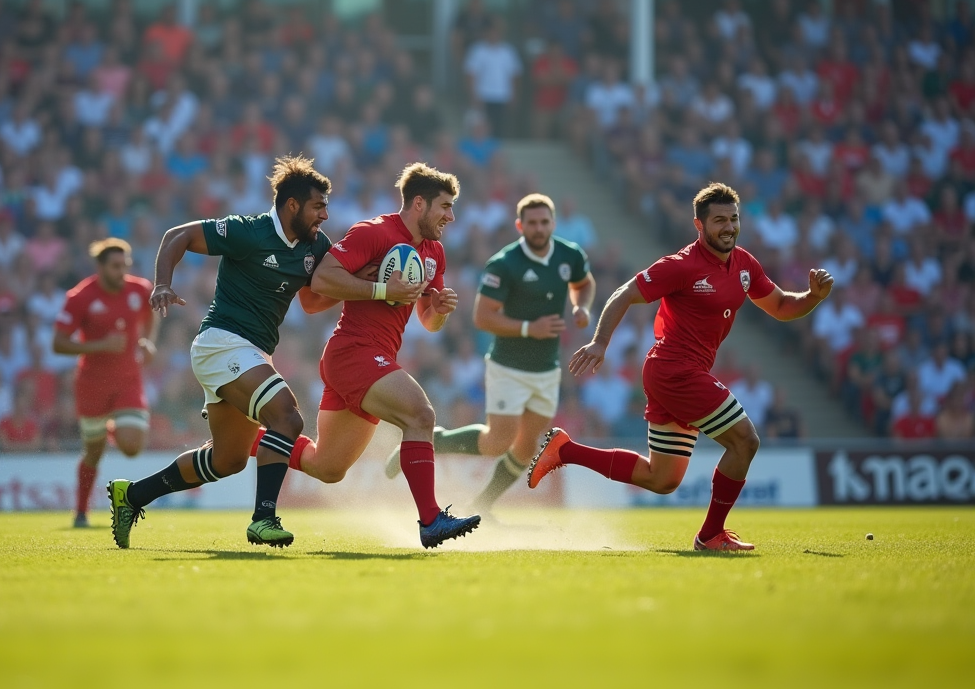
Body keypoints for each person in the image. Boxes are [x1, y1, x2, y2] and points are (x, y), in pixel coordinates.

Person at [527, 183, 834, 551]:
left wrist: (813, 298)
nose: (729, 227)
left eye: (733, 219)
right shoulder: (682, 265)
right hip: (674, 370)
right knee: (745, 440)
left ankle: (564, 450)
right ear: (699, 225)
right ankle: (710, 536)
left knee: (662, 479)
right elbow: (624, 294)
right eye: (719, 220)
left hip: (680, 374)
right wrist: (601, 341)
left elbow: (782, 306)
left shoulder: (745, 264)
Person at [106, 156, 335, 549]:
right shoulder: (249, 231)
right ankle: (264, 519)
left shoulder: (316, 245)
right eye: (318, 206)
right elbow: (177, 235)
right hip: (221, 343)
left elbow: (313, 301)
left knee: (227, 461)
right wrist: (162, 283)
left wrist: (373, 285)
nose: (325, 215)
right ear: (292, 205)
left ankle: (132, 496)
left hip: (252, 354)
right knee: (287, 416)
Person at [253, 163, 482, 548]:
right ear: (419, 203)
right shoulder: (374, 232)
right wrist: (379, 287)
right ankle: (430, 519)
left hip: (371, 357)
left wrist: (439, 309)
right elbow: (321, 282)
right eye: (445, 206)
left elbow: (428, 321)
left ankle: (246, 438)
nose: (451, 216)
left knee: (327, 467)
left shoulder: (434, 253)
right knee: (421, 415)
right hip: (353, 352)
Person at [386, 194, 595, 515]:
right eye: (532, 223)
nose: (539, 228)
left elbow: (584, 283)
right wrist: (530, 328)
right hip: (507, 365)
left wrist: (581, 305)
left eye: (544, 222)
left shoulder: (570, 255)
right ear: (519, 225)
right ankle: (434, 441)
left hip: (547, 368)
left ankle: (483, 506)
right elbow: (483, 317)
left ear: (553, 223)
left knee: (527, 446)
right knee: (498, 441)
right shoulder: (504, 263)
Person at [53, 238, 161, 528]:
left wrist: (147, 342)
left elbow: (153, 311)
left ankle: (115, 427)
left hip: (128, 380)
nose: (121, 272)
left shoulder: (139, 289)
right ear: (100, 267)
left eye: (125, 265)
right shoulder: (80, 297)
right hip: (92, 385)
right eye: (115, 266)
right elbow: (59, 344)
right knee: (94, 451)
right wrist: (100, 345)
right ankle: (80, 511)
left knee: (132, 446)